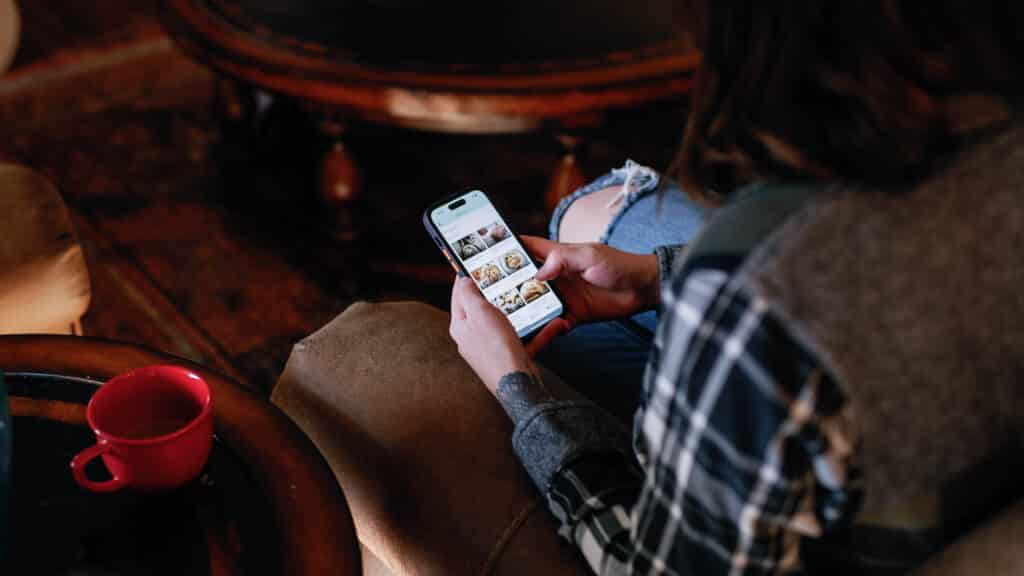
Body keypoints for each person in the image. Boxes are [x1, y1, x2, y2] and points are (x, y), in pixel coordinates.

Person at [449, 1, 1023, 574]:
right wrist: (656, 279)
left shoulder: (760, 287)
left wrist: (520, 394)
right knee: (593, 217)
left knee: (568, 301)